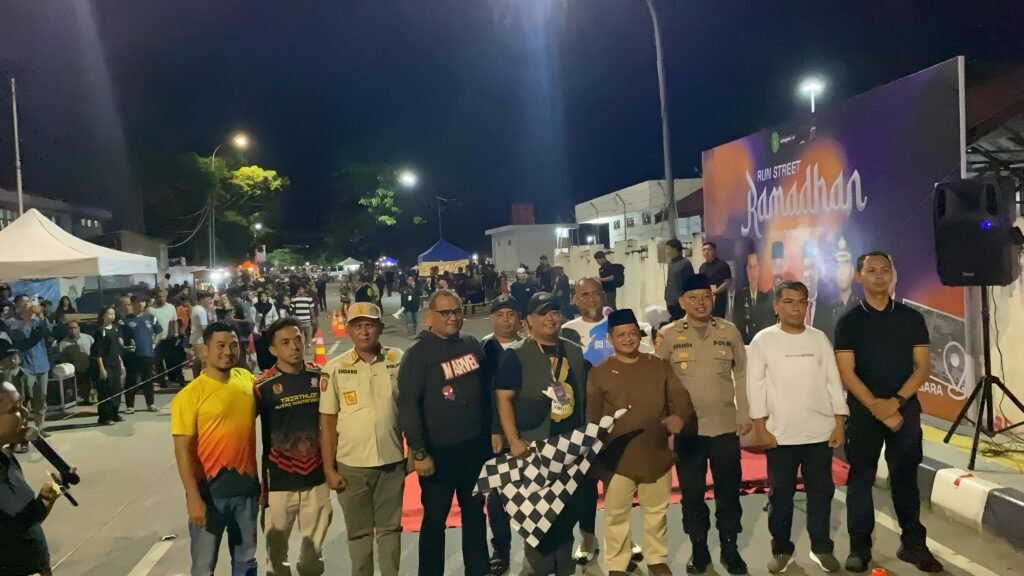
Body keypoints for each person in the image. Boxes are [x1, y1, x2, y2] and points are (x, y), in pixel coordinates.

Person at [834, 252, 942, 573]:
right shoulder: (849, 322)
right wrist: (877, 407)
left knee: (905, 478)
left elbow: (922, 368)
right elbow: (847, 373)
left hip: (904, 411)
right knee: (860, 479)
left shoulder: (911, 319)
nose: (879, 276)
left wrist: (895, 402)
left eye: (885, 270)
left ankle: (913, 545)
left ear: (893, 275)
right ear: (859, 276)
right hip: (864, 413)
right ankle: (859, 547)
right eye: (871, 270)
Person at [747, 281, 848, 573]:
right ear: (776, 306)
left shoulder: (819, 339)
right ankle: (781, 550)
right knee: (780, 496)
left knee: (821, 493)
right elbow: (755, 386)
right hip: (780, 435)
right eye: (789, 302)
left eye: (802, 302)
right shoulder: (763, 340)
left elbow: (833, 382)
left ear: (808, 306)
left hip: (820, 432)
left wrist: (839, 422)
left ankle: (821, 547)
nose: (796, 308)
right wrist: (760, 427)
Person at [587, 309, 694, 576]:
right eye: (621, 334)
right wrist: (596, 458)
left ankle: (656, 558)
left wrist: (679, 417)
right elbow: (593, 419)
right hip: (616, 459)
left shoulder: (658, 366)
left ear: (640, 335)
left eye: (632, 333)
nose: (627, 339)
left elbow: (680, 397)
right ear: (610, 338)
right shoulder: (599, 373)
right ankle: (617, 564)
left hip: (655, 453)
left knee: (656, 511)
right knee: (616, 515)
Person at [656, 274, 749, 575]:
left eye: (706, 297)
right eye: (693, 298)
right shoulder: (669, 335)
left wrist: (744, 414)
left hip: (725, 428)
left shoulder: (729, 331)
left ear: (713, 299)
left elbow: (742, 374)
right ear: (682, 302)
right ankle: (699, 550)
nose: (701, 303)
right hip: (689, 432)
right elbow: (659, 379)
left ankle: (730, 549)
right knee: (693, 496)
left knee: (729, 494)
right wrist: (665, 420)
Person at [398, 289, 494, 576]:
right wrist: (419, 452)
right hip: (438, 454)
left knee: (475, 516)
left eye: (457, 311)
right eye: (445, 312)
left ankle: (478, 570)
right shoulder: (418, 353)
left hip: (473, 451)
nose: (452, 317)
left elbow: (486, 394)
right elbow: (408, 406)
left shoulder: (472, 344)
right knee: (434, 521)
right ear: (431, 316)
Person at [559, 277, 651, 563]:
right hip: (581, 422)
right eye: (584, 294)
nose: (591, 299)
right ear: (574, 299)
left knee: (618, 484)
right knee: (585, 488)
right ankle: (587, 538)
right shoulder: (566, 332)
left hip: (617, 422)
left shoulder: (620, 327)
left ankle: (624, 539)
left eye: (595, 294)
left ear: (604, 296)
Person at [493, 292, 586, 576]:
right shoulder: (517, 354)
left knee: (565, 513)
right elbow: (504, 399)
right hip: (534, 449)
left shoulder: (574, 351)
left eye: (555, 312)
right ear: (529, 320)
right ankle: (538, 568)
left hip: (569, 450)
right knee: (538, 516)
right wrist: (513, 441)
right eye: (543, 313)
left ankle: (564, 566)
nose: (550, 318)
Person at [321, 303, 405, 576]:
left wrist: (416, 451)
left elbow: (410, 408)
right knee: (359, 534)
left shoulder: (397, 359)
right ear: (348, 330)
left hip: (392, 462)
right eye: (358, 326)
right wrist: (329, 469)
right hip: (352, 466)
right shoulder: (335, 368)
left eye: (370, 325)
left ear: (380, 328)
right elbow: (328, 422)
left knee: (390, 530)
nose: (364, 331)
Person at [171, 322, 260, 576]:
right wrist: (193, 498)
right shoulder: (189, 396)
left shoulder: (246, 380)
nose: (228, 352)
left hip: (246, 491)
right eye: (220, 346)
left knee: (246, 561)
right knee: (203, 566)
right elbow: (182, 453)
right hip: (209, 495)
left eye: (234, 346)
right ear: (205, 351)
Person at [255, 318, 331, 576]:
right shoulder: (262, 386)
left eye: (298, 339)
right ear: (273, 350)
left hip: (316, 480)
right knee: (277, 561)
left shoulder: (320, 377)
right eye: (285, 342)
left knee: (312, 560)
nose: (294, 346)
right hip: (278, 482)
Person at [0, 381, 68, 576]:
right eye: (14, 409)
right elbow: (14, 525)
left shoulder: (5, 456)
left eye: (22, 405)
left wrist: (56, 487)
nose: (25, 412)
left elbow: (25, 520)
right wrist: (45, 500)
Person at [479, 294, 521, 574]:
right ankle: (501, 550)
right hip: (491, 436)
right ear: (491, 318)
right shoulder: (481, 350)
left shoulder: (529, 348)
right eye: (500, 315)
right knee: (496, 498)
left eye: (511, 314)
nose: (506, 320)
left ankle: (537, 551)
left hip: (524, 432)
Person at [4, 296, 52, 437]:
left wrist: (41, 316)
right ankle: (22, 428)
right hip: (25, 366)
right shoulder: (12, 322)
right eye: (22, 302)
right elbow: (20, 337)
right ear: (17, 306)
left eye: (28, 301)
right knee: (25, 399)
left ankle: (39, 427)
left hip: (42, 364)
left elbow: (49, 332)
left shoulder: (37, 321)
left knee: (41, 397)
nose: (26, 304)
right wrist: (27, 318)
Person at [813, 237, 860, 343]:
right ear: (834, 272)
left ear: (852, 271)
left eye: (845, 265)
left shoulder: (862, 308)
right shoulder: (824, 311)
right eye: (838, 266)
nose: (842, 272)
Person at [124, 296, 162, 414]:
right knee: (131, 379)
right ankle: (130, 405)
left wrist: (155, 342)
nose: (140, 304)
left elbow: (159, 331)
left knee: (147, 379)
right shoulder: (126, 320)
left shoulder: (150, 317)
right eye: (137, 302)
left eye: (142, 301)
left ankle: (150, 403)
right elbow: (121, 336)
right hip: (132, 355)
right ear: (132, 304)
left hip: (147, 353)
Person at [92, 306, 127, 427]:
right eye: (109, 314)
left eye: (113, 314)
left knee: (116, 389)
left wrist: (121, 362)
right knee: (106, 390)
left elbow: (117, 347)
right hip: (106, 364)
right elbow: (98, 351)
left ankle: (114, 413)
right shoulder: (100, 331)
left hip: (116, 363)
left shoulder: (116, 329)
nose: (112, 316)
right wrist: (101, 368)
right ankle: (104, 417)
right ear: (103, 316)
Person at [733, 252, 776, 345]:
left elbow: (772, 325)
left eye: (755, 267)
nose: (752, 272)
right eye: (750, 267)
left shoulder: (770, 296)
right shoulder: (740, 296)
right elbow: (736, 325)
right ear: (746, 270)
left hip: (765, 345)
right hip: (745, 346)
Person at [150, 288, 184, 388]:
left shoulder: (171, 308)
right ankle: (162, 383)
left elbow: (174, 322)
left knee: (174, 361)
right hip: (157, 340)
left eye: (163, 296)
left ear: (166, 296)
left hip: (170, 339)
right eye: (159, 297)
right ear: (156, 297)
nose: (161, 298)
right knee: (158, 362)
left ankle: (178, 380)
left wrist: (176, 334)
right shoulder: (151, 310)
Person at [1, 349, 31, 453]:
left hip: (22, 401)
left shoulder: (23, 373)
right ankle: (13, 444)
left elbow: (28, 388)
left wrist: (28, 400)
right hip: (10, 404)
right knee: (13, 425)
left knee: (23, 423)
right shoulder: (4, 373)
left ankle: (24, 444)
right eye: (10, 359)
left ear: (20, 360)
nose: (12, 361)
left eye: (15, 358)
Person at [58, 320, 94, 405]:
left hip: (89, 366)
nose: (73, 330)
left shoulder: (88, 338)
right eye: (70, 328)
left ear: (79, 328)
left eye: (75, 328)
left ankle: (90, 399)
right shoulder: (63, 344)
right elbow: (62, 360)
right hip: (74, 370)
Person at [699, 241, 732, 319]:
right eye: (704, 250)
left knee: (717, 321)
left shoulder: (722, 265)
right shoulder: (702, 266)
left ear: (714, 251)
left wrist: (715, 292)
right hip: (705, 299)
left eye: (709, 249)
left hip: (718, 299)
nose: (706, 252)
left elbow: (728, 282)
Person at [664, 238, 694, 321]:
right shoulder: (670, 263)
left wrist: (684, 298)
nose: (666, 251)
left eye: (668, 249)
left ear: (675, 249)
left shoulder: (685, 263)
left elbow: (690, 283)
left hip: (680, 302)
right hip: (670, 300)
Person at [252, 292, 281, 372]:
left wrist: (271, 325)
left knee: (271, 350)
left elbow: (276, 317)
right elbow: (253, 321)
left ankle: (274, 368)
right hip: (260, 334)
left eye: (264, 296)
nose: (263, 298)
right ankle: (263, 370)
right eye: (261, 296)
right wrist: (256, 332)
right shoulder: (254, 308)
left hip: (270, 332)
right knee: (261, 352)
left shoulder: (271, 307)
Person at [189, 292, 215, 376]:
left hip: (195, 339)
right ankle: (203, 379)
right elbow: (204, 328)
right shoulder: (201, 311)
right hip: (200, 340)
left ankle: (196, 378)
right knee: (205, 362)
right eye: (208, 299)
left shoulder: (196, 308)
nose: (210, 301)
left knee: (197, 361)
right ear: (202, 300)